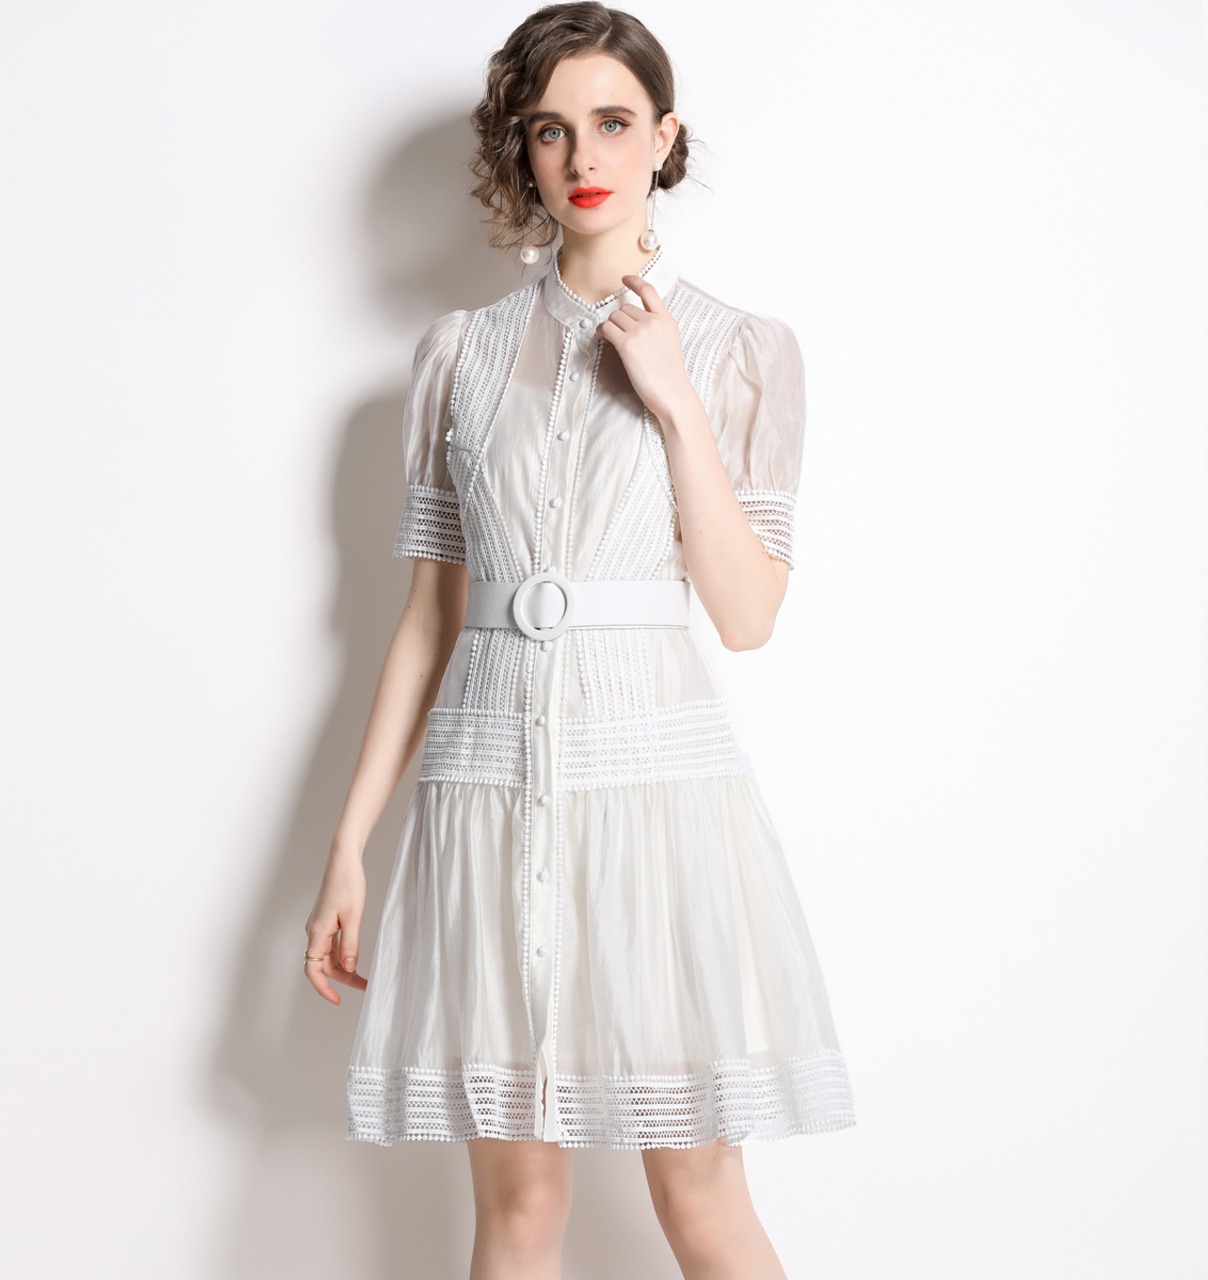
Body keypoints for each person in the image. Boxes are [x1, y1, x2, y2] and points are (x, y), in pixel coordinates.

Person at [305, 3, 856, 1275]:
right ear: (522, 147)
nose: (581, 155)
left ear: (663, 136)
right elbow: (428, 619)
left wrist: (672, 401)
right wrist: (347, 847)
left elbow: (745, 614)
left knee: (699, 1200)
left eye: (612, 122)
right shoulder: (457, 354)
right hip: (486, 794)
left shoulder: (737, 350)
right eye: (549, 129)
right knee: (515, 1209)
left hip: (652, 804)